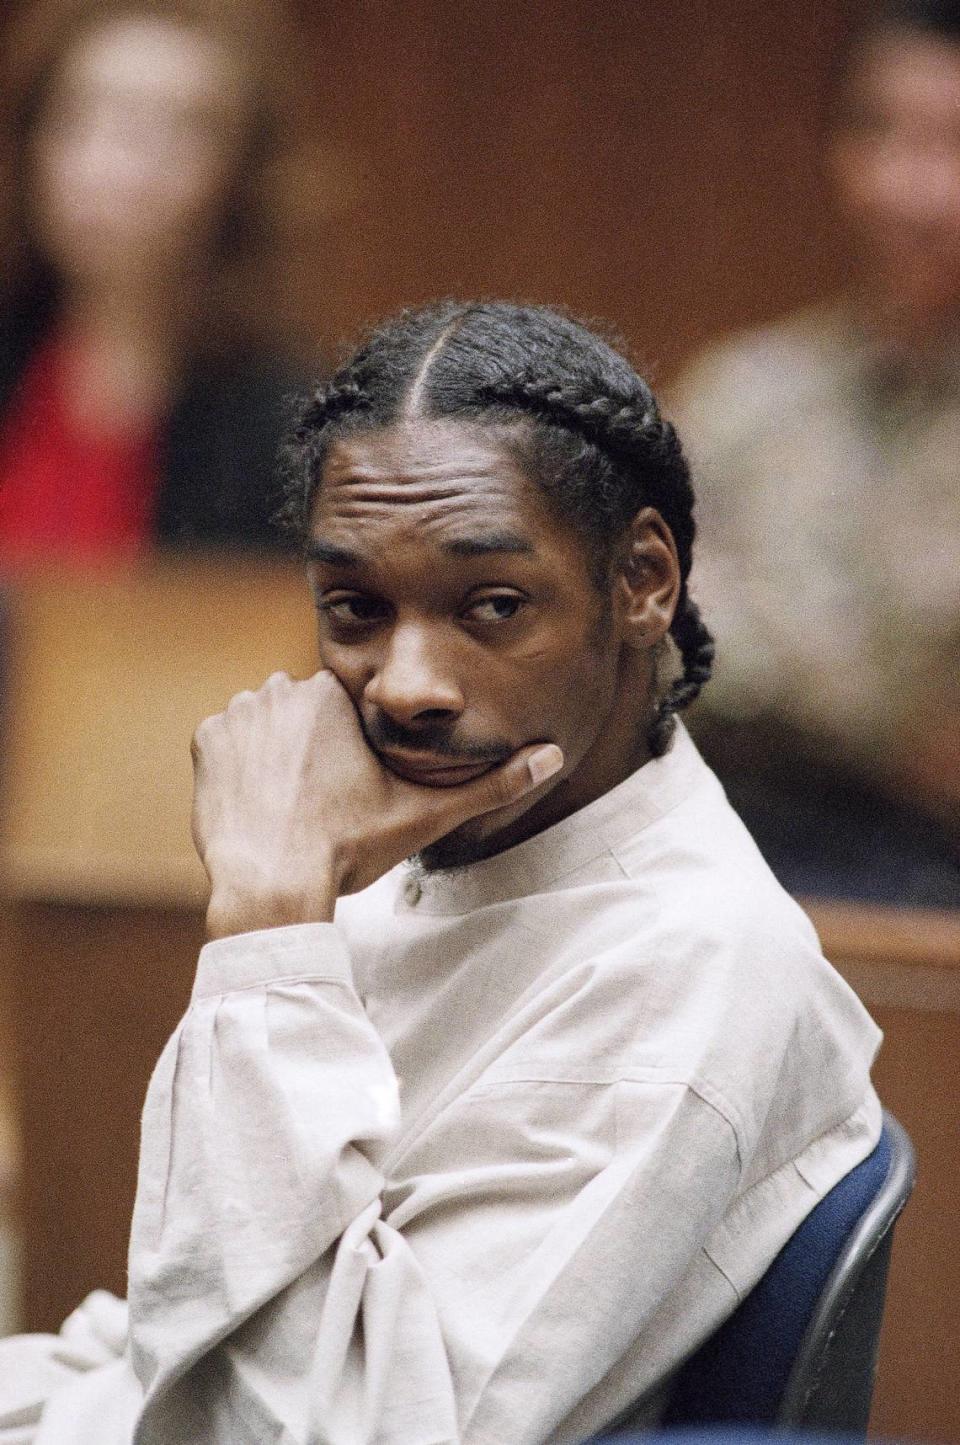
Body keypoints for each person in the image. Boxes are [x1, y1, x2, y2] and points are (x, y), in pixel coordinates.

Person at [0, 303, 882, 1443]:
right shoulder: (422, 853)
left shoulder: (694, 967)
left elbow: (340, 1430)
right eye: (357, 608)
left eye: (493, 605)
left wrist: (269, 926)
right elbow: (170, 1330)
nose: (405, 683)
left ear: (644, 582)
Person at [672, 0, 960, 906]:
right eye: (876, 132)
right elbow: (633, 645)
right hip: (741, 876)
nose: (906, 188)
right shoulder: (743, 397)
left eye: (952, 142)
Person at [0, 0, 308, 563]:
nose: (109, 167)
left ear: (239, 175)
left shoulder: (284, 431)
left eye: (166, 132)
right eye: (79, 117)